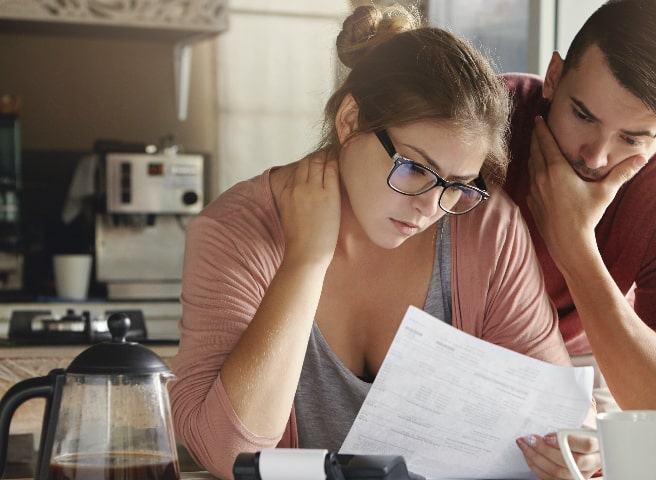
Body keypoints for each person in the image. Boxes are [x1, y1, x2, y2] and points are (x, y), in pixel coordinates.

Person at [169, 5, 598, 480]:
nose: (429, 207)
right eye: (414, 168)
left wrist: (579, 446)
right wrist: (306, 260)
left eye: (456, 184)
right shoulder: (235, 233)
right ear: (350, 120)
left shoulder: (487, 227)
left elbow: (558, 417)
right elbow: (226, 453)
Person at [506, 0, 656, 474]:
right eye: (583, 115)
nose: (597, 156)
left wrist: (574, 245)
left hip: (588, 360)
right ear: (555, 76)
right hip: (456, 342)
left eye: (632, 139)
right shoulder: (486, 119)